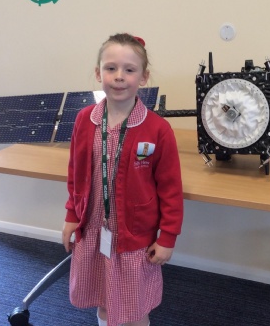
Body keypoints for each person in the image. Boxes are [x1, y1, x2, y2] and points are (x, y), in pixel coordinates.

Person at [62, 33, 184, 326]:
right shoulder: (84, 120)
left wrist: (167, 237)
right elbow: (75, 174)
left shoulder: (158, 129)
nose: (119, 76)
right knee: (103, 300)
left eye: (129, 70)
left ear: (143, 77)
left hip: (133, 239)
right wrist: (71, 216)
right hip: (93, 232)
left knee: (133, 308)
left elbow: (170, 190)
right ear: (98, 73)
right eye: (111, 68)